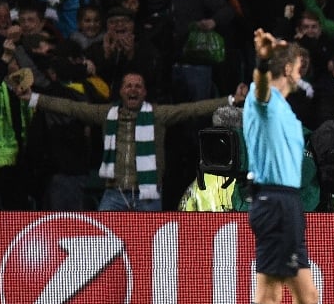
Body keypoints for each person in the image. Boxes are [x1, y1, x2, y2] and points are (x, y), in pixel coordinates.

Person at [233, 29, 334, 304]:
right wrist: (261, 62)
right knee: (268, 296)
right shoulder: (264, 100)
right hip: (275, 202)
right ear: (288, 68)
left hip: (285, 204)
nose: (302, 75)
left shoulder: (285, 109)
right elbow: (259, 89)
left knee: (307, 295)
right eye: (299, 68)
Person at [22, 72, 247, 211]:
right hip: (114, 195)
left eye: (138, 86)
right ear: (120, 91)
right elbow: (70, 107)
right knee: (101, 243)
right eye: (128, 86)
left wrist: (230, 100)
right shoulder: (106, 113)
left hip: (148, 196)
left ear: (145, 92)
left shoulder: (157, 115)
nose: (133, 89)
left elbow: (192, 109)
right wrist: (33, 98)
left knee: (148, 250)